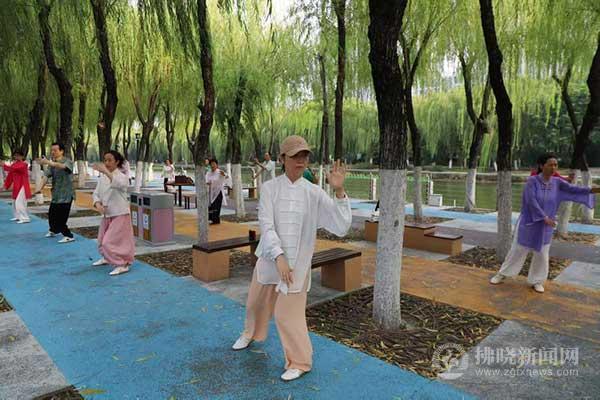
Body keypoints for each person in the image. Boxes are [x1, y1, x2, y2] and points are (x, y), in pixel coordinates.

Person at [232, 135, 352, 382]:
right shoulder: (270, 188)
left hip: (297, 266)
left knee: (287, 315)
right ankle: (250, 333)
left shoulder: (314, 193)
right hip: (270, 259)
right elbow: (266, 224)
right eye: (295, 155)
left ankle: (300, 361)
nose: (301, 160)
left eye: (304, 155)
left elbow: (341, 227)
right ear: (282, 159)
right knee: (255, 303)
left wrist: (339, 191)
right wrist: (278, 257)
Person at [490, 153, 600, 293]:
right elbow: (531, 201)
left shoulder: (557, 182)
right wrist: (544, 217)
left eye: (555, 165)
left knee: (542, 254)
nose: (553, 167)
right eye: (550, 164)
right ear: (542, 166)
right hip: (529, 222)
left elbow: (575, 189)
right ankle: (502, 274)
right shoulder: (532, 181)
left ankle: (536, 281)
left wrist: (594, 189)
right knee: (518, 250)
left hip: (546, 226)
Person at [91, 150, 135, 276]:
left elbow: (119, 184)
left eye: (110, 160)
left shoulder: (122, 176)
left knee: (108, 242)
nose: (107, 163)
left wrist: (105, 171)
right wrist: (97, 204)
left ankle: (122, 264)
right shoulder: (102, 178)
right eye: (105, 160)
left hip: (120, 213)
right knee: (101, 241)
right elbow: (96, 193)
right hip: (106, 214)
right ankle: (107, 258)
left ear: (117, 162)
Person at [34, 143, 76, 243]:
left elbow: (63, 167)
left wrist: (49, 162)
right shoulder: (52, 164)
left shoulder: (68, 161)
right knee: (52, 215)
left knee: (61, 218)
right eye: (52, 150)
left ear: (61, 151)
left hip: (66, 195)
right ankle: (54, 230)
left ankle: (69, 236)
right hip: (56, 194)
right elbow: (45, 176)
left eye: (55, 150)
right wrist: (39, 188)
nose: (52, 152)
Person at [1, 150, 31, 223]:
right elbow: (10, 176)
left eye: (18, 155)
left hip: (23, 185)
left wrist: (4, 165)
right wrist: (5, 186)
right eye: (15, 155)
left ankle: (25, 218)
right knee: (14, 202)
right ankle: (18, 216)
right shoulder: (14, 164)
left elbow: (14, 169)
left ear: (22, 156)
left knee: (19, 202)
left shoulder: (24, 164)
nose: (17, 157)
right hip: (16, 186)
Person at [205, 159, 228, 224]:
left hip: (218, 192)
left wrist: (224, 175)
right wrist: (208, 183)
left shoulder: (219, 172)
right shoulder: (208, 173)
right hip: (211, 192)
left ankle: (216, 220)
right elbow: (206, 180)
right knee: (211, 206)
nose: (213, 165)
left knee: (216, 206)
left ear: (217, 165)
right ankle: (212, 219)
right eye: (211, 164)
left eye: (214, 164)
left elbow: (227, 177)